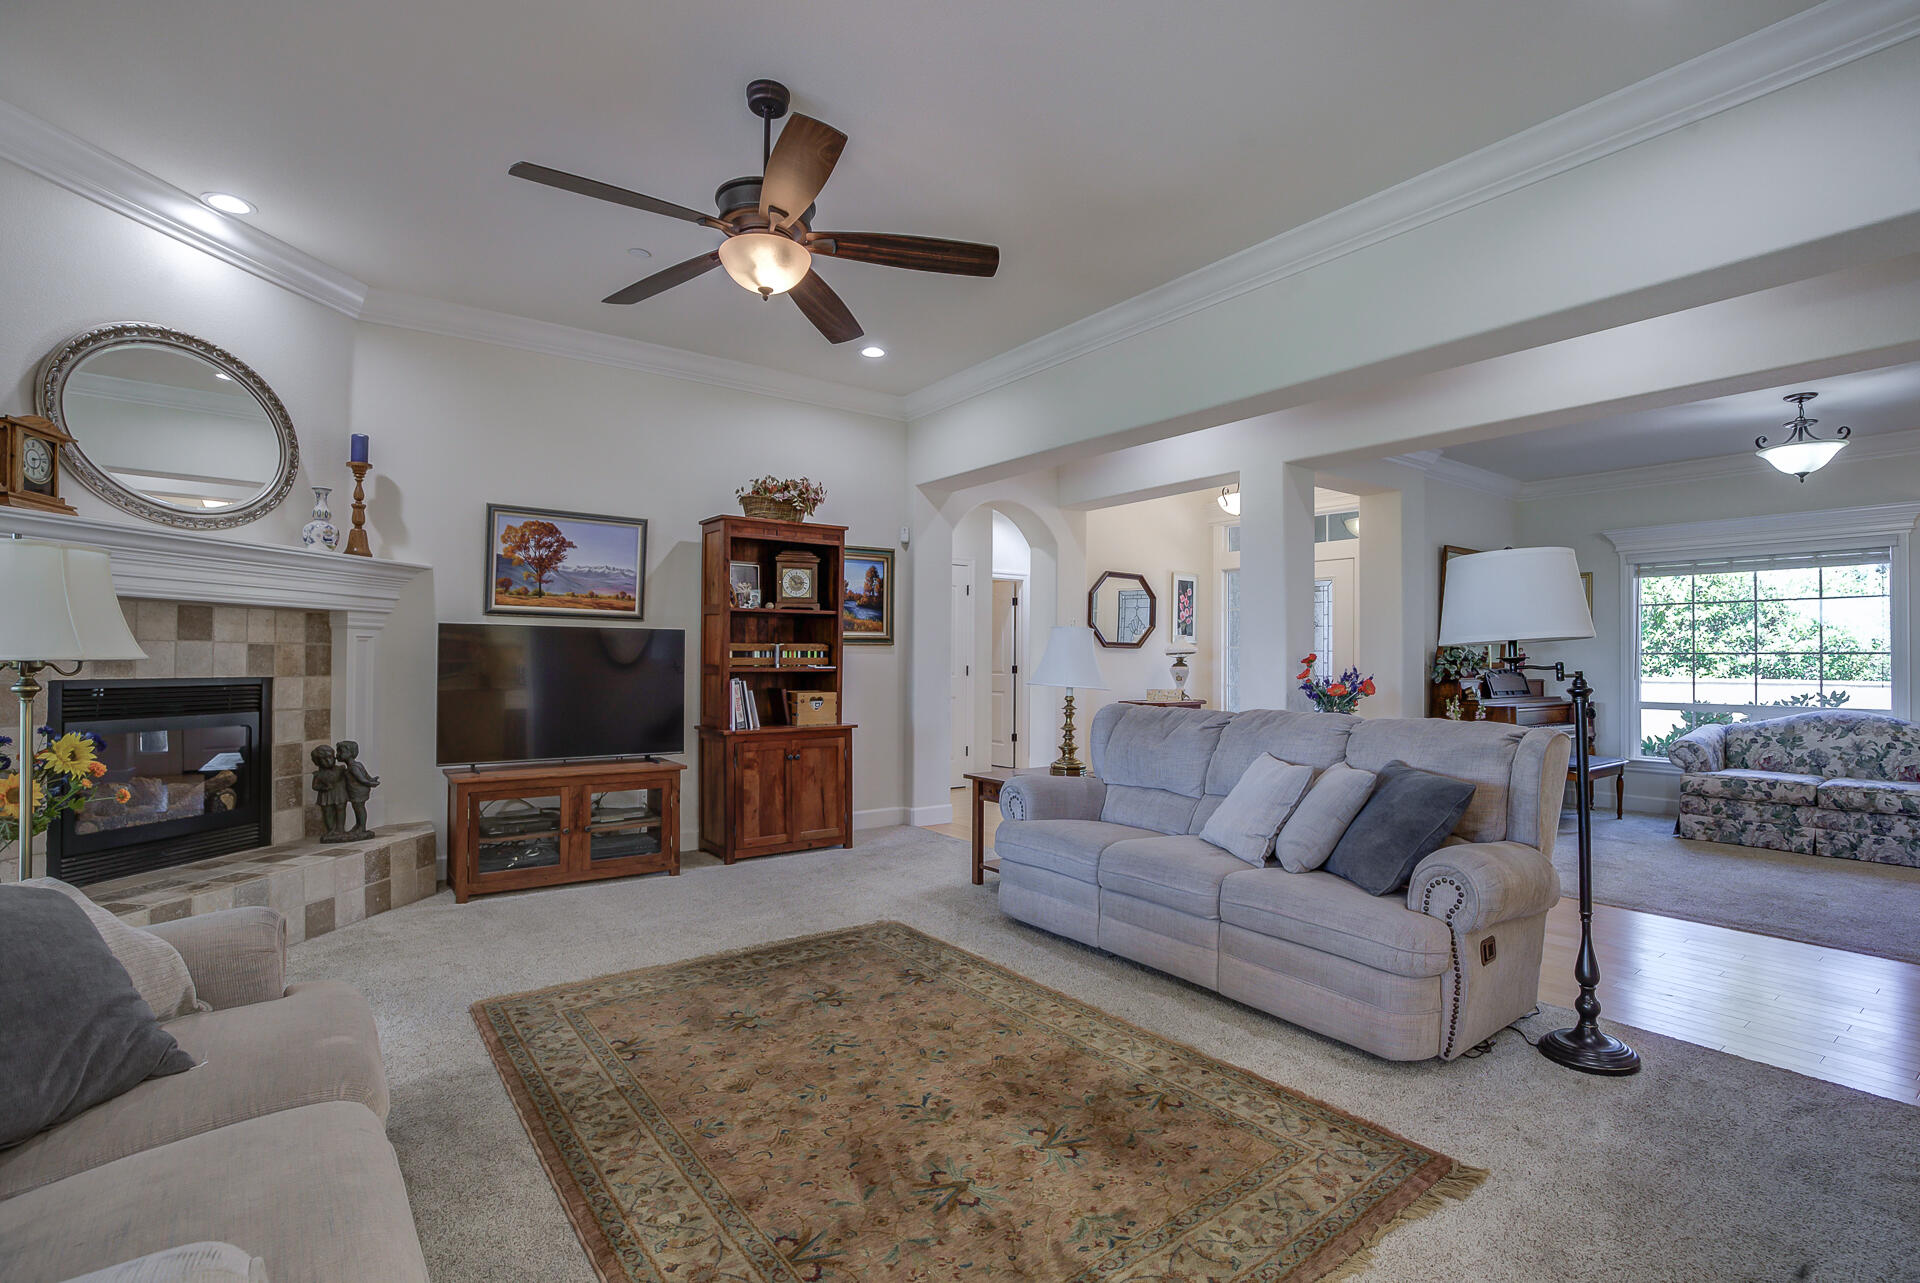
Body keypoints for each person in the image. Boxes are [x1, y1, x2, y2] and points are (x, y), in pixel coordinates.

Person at [336, 739, 380, 839]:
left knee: (359, 808)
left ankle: (361, 827)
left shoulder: (353, 767)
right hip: (357, 790)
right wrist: (371, 780)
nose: (337, 755)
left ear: (350, 753)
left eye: (340, 752)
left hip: (358, 792)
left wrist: (370, 783)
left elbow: (361, 779)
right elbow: (366, 776)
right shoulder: (357, 764)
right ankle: (359, 825)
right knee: (358, 808)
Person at [310, 744, 348, 842]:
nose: (328, 761)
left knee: (340, 809)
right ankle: (331, 830)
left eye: (330, 757)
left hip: (339, 793)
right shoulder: (318, 774)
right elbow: (315, 786)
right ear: (318, 761)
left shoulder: (340, 769)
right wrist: (324, 787)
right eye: (324, 759)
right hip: (326, 795)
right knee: (327, 812)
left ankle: (340, 829)